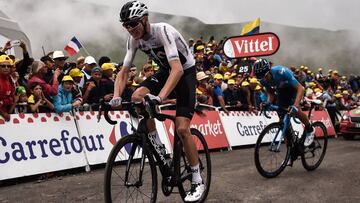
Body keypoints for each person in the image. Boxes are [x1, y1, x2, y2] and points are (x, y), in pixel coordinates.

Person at [110, 1, 205, 201]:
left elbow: (178, 69)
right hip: (165, 71)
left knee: (181, 129)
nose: (130, 29)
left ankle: (197, 179)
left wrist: (160, 98)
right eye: (125, 25)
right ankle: (157, 144)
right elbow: (124, 71)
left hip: (184, 72)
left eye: (133, 23)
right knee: (136, 97)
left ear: (145, 19)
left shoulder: (163, 31)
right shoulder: (133, 39)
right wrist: (117, 95)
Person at [253, 58, 315, 148]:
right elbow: (270, 92)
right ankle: (289, 151)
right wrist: (268, 102)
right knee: (282, 122)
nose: (265, 79)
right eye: (262, 77)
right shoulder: (262, 79)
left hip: (294, 88)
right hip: (281, 90)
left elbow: (300, 88)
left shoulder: (281, 72)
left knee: (296, 111)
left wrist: (296, 105)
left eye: (266, 76)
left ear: (269, 70)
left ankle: (309, 129)